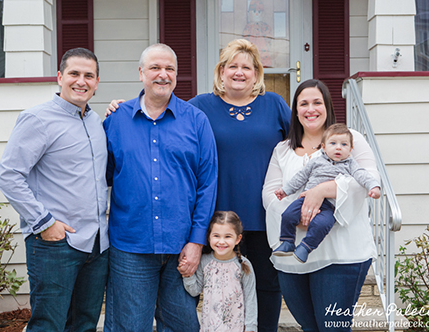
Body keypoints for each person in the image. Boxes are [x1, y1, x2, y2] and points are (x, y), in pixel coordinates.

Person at [107, 39, 292, 331]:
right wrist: (118, 107)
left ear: (257, 73)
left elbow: (301, 144)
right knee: (214, 295)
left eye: (247, 67)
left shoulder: (273, 105)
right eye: (232, 66)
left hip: (263, 219)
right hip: (215, 225)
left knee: (265, 292)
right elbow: (155, 113)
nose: (239, 72)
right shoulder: (200, 107)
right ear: (221, 71)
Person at [102, 43, 218, 331]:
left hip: (181, 246)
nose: (162, 75)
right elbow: (100, 178)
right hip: (131, 246)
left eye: (169, 69)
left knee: (183, 326)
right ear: (141, 73)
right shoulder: (115, 120)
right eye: (155, 68)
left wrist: (196, 241)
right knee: (130, 327)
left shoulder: (196, 121)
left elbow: (207, 184)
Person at [0, 47, 108, 332]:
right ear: (60, 77)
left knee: (83, 325)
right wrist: (44, 223)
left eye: (88, 75)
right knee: (48, 326)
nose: (81, 81)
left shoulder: (96, 123)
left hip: (96, 245)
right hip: (55, 245)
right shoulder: (37, 119)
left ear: (96, 82)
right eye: (74, 73)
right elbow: (9, 175)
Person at [262, 79, 378, 331]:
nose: (310, 109)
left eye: (317, 102)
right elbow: (270, 193)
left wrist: (322, 191)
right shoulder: (282, 149)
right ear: (295, 110)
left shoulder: (349, 139)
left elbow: (367, 179)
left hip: (341, 254)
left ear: (328, 106)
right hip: (293, 256)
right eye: (303, 103)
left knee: (332, 328)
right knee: (309, 327)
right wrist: (300, 216)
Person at [273, 123, 381, 262]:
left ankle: (305, 248)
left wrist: (374, 186)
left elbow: (362, 175)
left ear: (350, 149)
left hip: (330, 206)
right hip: (306, 201)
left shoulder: (350, 164)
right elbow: (300, 178)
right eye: (333, 143)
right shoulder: (316, 161)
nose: (338, 147)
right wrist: (285, 191)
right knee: (288, 214)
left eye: (344, 144)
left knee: (322, 225)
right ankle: (287, 242)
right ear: (323, 147)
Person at [183, 211, 258, 332]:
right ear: (209, 237)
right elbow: (194, 290)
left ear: (238, 239)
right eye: (216, 236)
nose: (221, 241)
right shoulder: (204, 262)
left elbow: (250, 298)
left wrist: (250, 327)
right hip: (209, 327)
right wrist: (187, 274)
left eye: (227, 236)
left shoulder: (243, 265)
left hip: (236, 328)